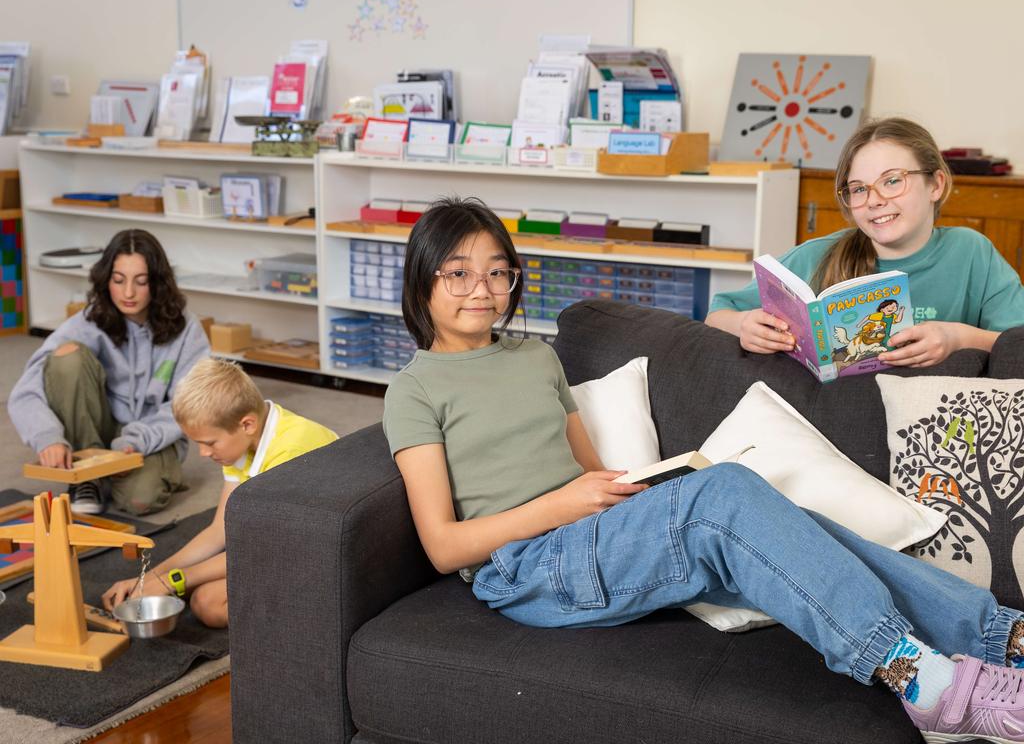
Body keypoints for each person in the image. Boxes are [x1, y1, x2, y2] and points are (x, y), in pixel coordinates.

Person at [382, 196, 1024, 743]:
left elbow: (590, 472)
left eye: (498, 272)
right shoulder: (414, 391)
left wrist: (643, 490)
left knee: (789, 523)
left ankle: (1004, 637)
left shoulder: (535, 358)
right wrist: (562, 508)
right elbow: (443, 547)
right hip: (522, 568)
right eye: (458, 273)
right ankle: (919, 677)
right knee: (724, 495)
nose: (482, 289)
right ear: (422, 281)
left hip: (591, 535)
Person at [705, 117, 1024, 367]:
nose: (875, 200)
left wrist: (957, 337)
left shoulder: (972, 252)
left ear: (935, 185)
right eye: (859, 188)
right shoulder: (817, 255)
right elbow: (717, 316)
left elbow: (1017, 342)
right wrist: (745, 324)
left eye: (892, 181)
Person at [101, 357, 338, 627]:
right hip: (285, 543)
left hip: (323, 557)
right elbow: (219, 531)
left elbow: (263, 550)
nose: (203, 454)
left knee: (207, 603)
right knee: (188, 586)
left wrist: (173, 580)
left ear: (246, 424)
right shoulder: (246, 440)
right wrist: (149, 579)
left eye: (210, 443)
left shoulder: (290, 453)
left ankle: (314, 619)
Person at [8, 229, 209, 515]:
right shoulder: (89, 320)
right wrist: (48, 437)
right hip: (100, 429)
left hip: (150, 437)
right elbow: (25, 391)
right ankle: (88, 477)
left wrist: (135, 442)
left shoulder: (188, 329)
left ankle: (121, 473)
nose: (128, 293)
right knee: (66, 359)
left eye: (141, 282)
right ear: (106, 280)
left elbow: (192, 404)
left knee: (140, 499)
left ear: (158, 283)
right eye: (118, 280)